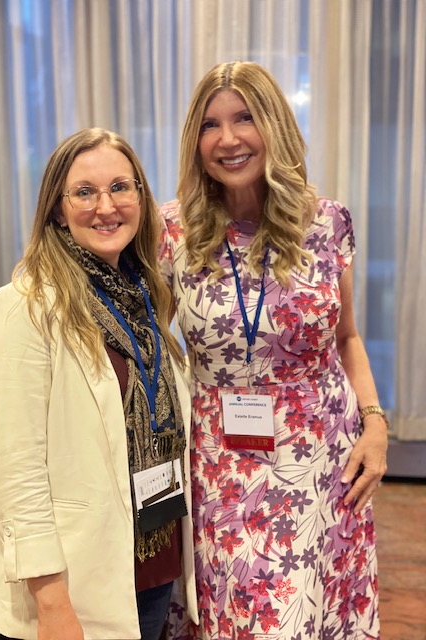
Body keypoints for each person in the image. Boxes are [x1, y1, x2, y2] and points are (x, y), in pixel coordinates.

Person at [159, 61, 388, 639]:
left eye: (245, 118)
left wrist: (376, 424)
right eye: (210, 125)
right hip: (221, 465)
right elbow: (153, 347)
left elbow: (347, 338)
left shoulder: (327, 223)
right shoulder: (171, 232)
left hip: (323, 458)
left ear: (275, 126)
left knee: (311, 614)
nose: (228, 139)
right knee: (252, 618)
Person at [0, 128, 198, 640]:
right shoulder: (24, 308)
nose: (106, 206)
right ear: (57, 209)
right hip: (77, 586)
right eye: (84, 192)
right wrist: (51, 602)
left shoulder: (146, 298)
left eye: (120, 187)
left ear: (141, 197)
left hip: (151, 562)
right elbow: (18, 475)